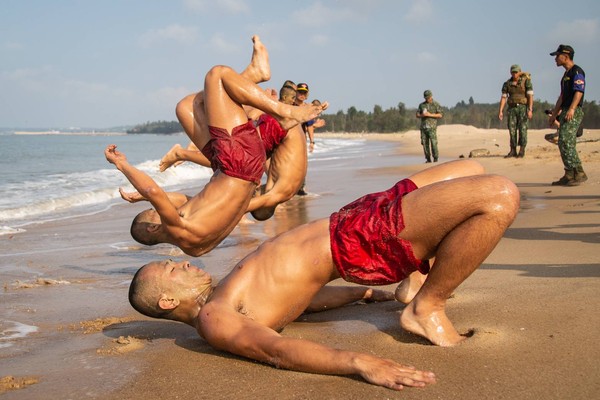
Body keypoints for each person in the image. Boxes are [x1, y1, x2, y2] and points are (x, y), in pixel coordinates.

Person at [127, 159, 520, 391]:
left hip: (352, 218)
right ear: (168, 301)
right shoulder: (215, 319)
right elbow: (274, 350)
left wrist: (361, 296)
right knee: (498, 195)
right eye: (172, 269)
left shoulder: (227, 297)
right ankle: (426, 306)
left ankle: (415, 279)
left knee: (471, 168)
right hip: (359, 239)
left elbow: (301, 301)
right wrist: (358, 362)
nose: (181, 263)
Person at [105, 36, 327, 257]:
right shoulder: (176, 226)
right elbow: (154, 191)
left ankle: (255, 83)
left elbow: (180, 200)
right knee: (217, 75)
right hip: (235, 164)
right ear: (154, 228)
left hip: (241, 169)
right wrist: (121, 164)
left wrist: (146, 197)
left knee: (186, 107)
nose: (163, 209)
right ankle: (273, 97)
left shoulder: (194, 244)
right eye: (157, 212)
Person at [547, 44, 588, 186]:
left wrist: (572, 109)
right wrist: (554, 114)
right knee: (563, 142)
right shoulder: (566, 74)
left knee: (565, 141)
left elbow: (579, 91)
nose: (556, 59)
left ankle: (579, 172)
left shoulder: (577, 72)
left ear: (566, 56)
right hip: (565, 110)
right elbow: (562, 96)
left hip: (573, 111)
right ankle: (569, 174)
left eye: (557, 56)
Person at [498, 65, 534, 158]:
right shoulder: (507, 84)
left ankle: (522, 150)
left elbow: (530, 96)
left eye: (516, 72)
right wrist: (500, 111)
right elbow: (503, 97)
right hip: (512, 109)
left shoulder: (526, 81)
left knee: (523, 129)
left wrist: (530, 109)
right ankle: (513, 150)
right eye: (513, 72)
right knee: (512, 130)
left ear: (520, 72)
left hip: (522, 108)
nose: (514, 74)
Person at [416, 90, 443, 163]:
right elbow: (417, 115)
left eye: (428, 97)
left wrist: (430, 114)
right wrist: (422, 115)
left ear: (431, 96)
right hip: (423, 128)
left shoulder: (436, 104)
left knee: (434, 143)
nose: (427, 99)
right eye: (425, 98)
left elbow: (440, 115)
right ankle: (428, 159)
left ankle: (435, 158)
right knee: (425, 144)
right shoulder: (421, 105)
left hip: (432, 127)